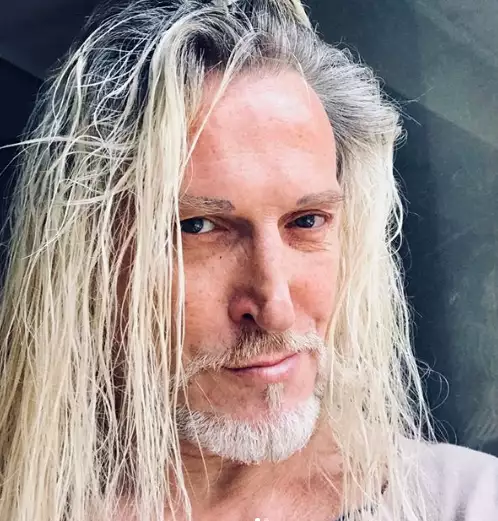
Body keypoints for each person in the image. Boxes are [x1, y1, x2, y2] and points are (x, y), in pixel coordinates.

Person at [0, 0, 497, 520]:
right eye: (197, 226)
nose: (275, 309)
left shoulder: (465, 502)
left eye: (307, 221)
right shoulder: (32, 501)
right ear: (90, 258)